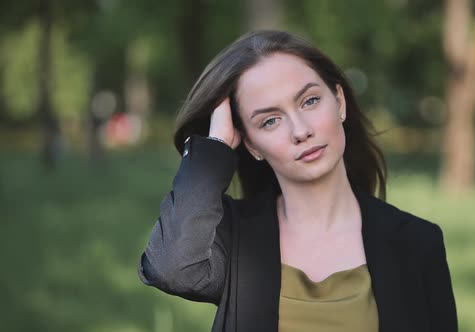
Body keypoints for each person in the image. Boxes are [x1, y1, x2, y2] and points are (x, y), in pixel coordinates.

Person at [137, 30, 458, 332]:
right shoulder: (234, 238)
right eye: (270, 120)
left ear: (340, 102)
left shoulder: (417, 243)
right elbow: (169, 268)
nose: (301, 130)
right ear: (250, 145)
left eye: (310, 101)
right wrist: (216, 145)